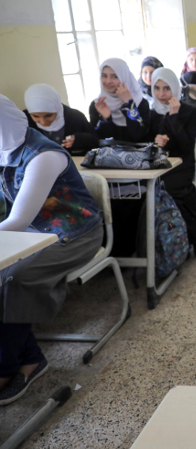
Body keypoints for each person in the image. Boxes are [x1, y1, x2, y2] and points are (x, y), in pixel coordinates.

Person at [0, 94, 103, 405]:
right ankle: (29, 354)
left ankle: (10, 365)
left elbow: (17, 220)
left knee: (12, 277)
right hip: (34, 231)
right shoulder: (6, 149)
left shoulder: (43, 155)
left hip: (75, 234)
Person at [148, 68, 196, 257]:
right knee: (150, 190)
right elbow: (144, 141)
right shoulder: (151, 112)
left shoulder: (190, 112)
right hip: (156, 164)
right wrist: (156, 141)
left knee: (171, 189)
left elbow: (185, 147)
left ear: (175, 88)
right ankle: (190, 232)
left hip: (182, 165)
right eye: (157, 88)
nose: (161, 94)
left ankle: (195, 234)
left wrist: (173, 116)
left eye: (167, 88)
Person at [23, 84, 98, 155]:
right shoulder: (24, 120)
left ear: (57, 109)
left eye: (48, 115)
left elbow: (96, 140)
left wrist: (80, 139)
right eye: (36, 116)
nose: (43, 122)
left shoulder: (74, 117)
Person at [89, 58, 151, 142]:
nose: (108, 81)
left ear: (124, 77)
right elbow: (98, 140)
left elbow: (139, 136)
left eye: (115, 76)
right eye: (104, 76)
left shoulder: (140, 103)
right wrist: (106, 119)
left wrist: (129, 105)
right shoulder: (97, 104)